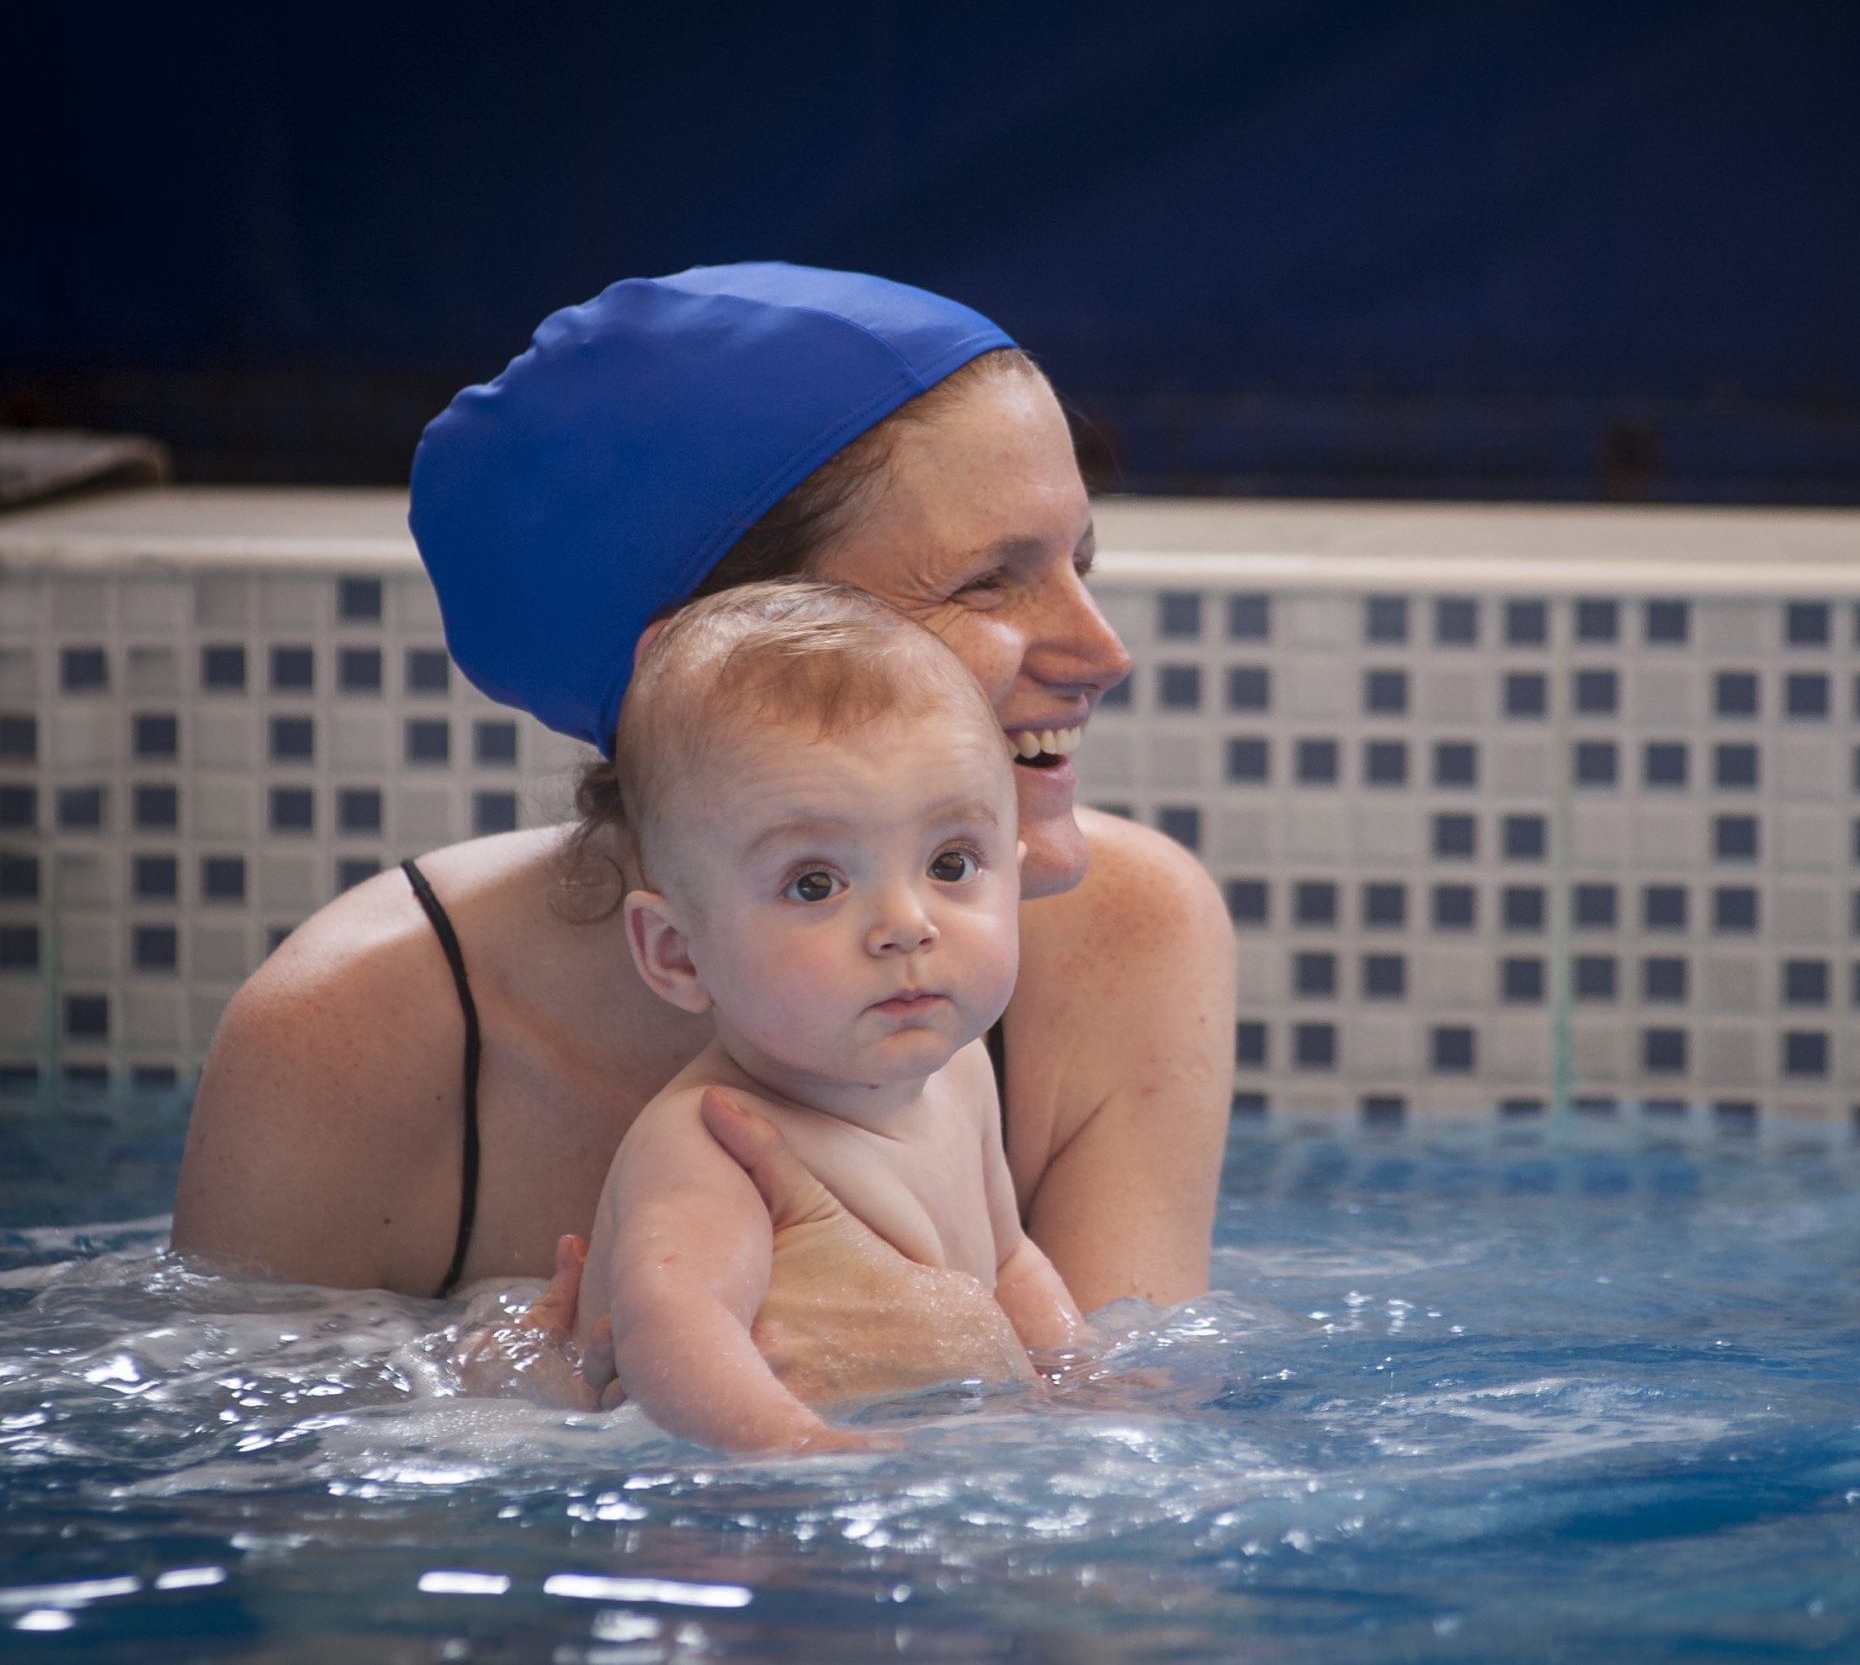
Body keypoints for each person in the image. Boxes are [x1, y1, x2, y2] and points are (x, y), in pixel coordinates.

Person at [170, 265, 1234, 1407]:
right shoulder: (355, 1032)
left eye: (1078, 562)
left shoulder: (1118, 931)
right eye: (988, 584)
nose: (1102, 651)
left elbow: (1123, 1499)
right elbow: (256, 1506)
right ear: (713, 653)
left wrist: (948, 1345)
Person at [576, 581, 1085, 1452]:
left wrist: (1086, 1383)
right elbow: (674, 1328)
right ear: (677, 952)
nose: (906, 924)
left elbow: (1009, 1262)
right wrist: (806, 1452)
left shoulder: (959, 1073)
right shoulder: (711, 1141)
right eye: (816, 882)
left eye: (953, 861)